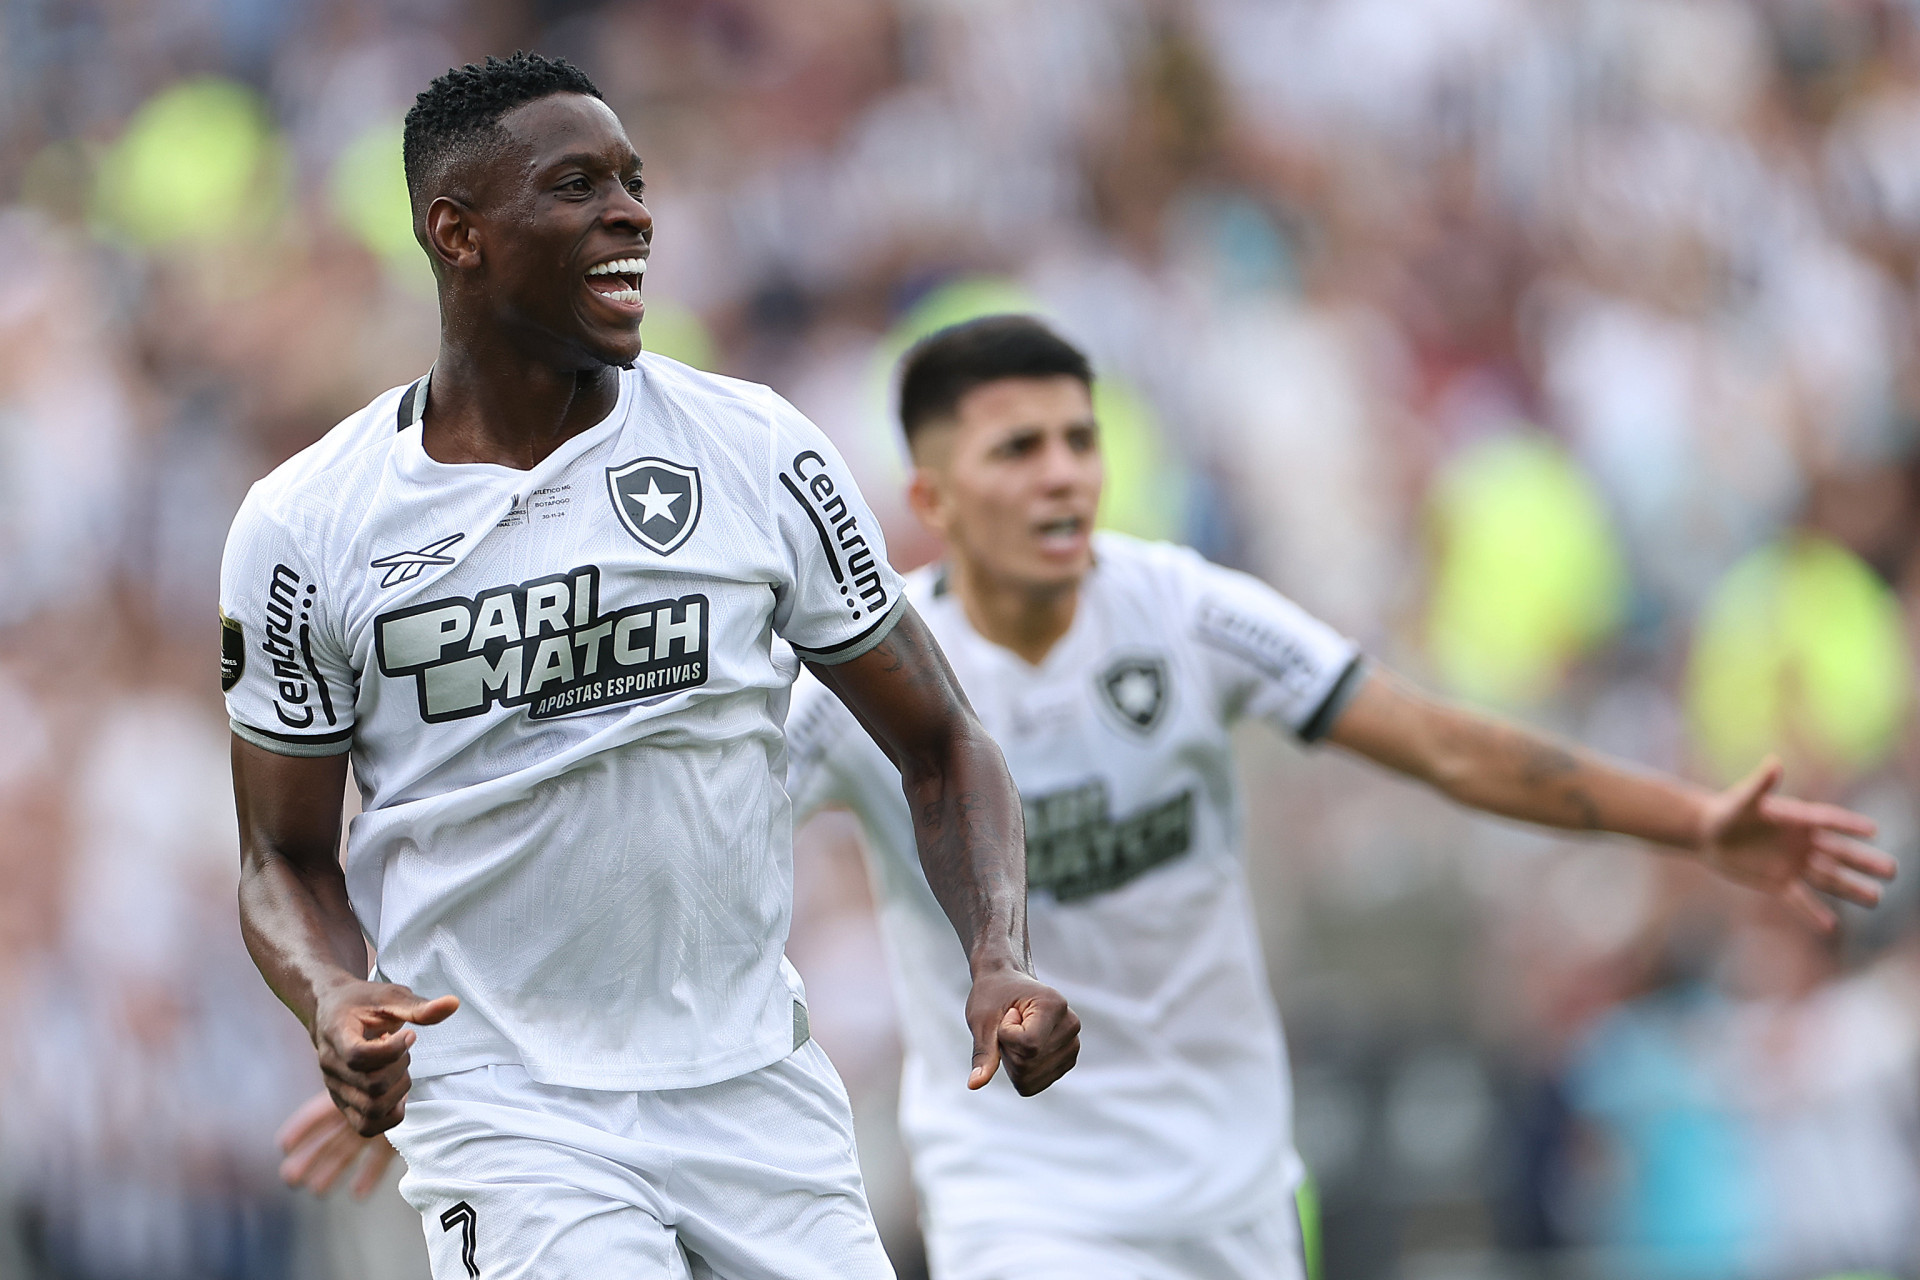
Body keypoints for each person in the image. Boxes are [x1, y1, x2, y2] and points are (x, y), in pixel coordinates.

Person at [277, 310, 1896, 1277]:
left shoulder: (1185, 612)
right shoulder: (855, 691)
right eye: (1017, 451)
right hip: (1019, 1188)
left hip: (1236, 1180)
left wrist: (1695, 821)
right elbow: (643, 882)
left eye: (1078, 441)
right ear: (928, 496)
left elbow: (1449, 743)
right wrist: (483, 1075)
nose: (1062, 475)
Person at [223, 57, 1078, 1280]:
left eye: (633, 182)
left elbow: (943, 741)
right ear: (454, 232)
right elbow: (282, 859)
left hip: (754, 1088)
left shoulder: (759, 450)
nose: (634, 215)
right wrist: (329, 992)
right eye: (577, 187)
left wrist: (998, 953)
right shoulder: (308, 526)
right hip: (511, 1108)